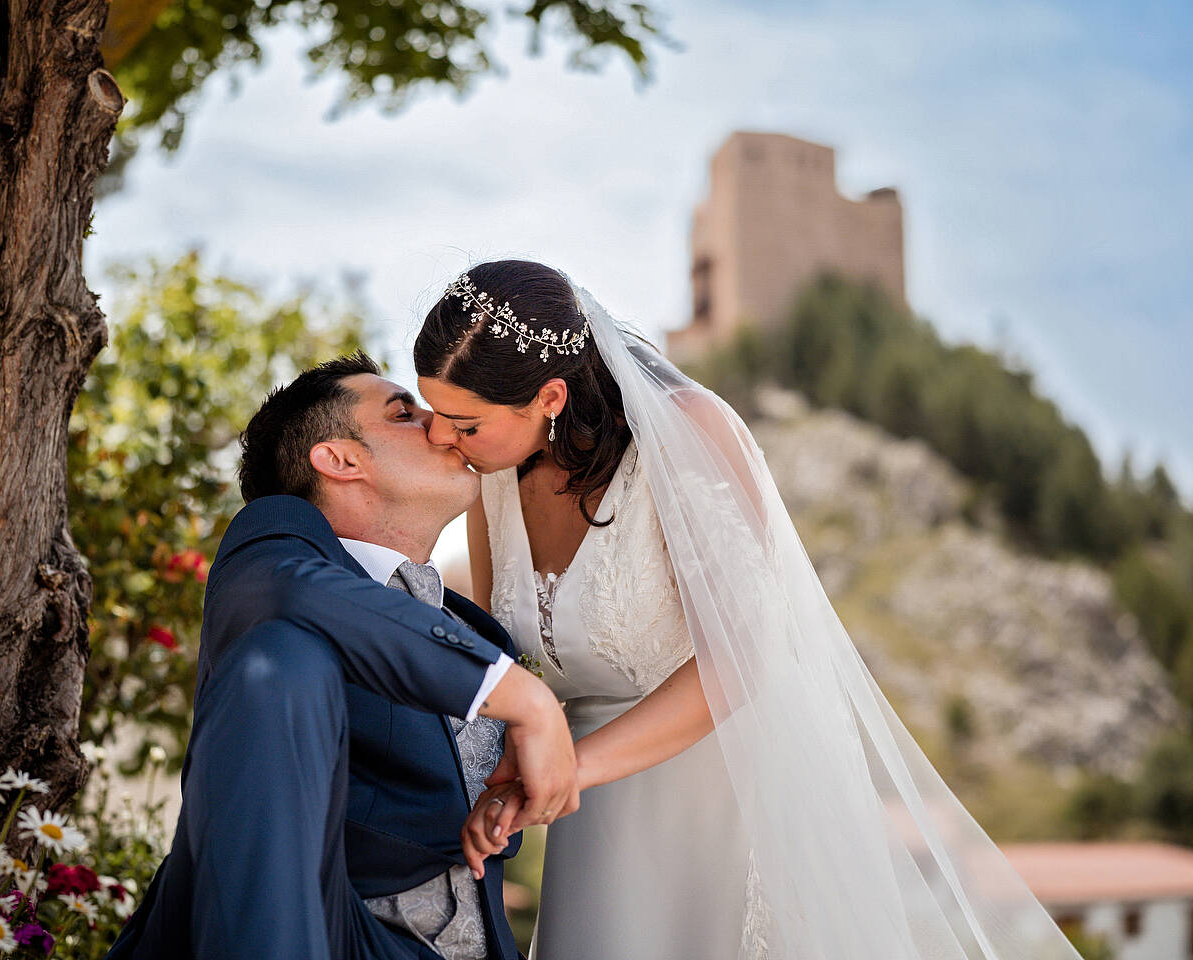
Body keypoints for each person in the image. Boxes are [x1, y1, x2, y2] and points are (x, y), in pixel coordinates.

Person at [412, 260, 1087, 960]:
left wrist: (569, 767)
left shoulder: (687, 437)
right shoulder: (490, 480)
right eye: (433, 415)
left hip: (721, 804)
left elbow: (738, 660)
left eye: (463, 423)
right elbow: (499, 657)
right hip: (591, 823)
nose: (440, 437)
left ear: (549, 397)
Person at [105, 353, 577, 960]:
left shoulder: (475, 630)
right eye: (405, 412)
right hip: (322, 929)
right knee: (276, 662)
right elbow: (287, 589)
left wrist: (500, 805)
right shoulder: (275, 548)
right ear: (339, 459)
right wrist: (519, 694)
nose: (440, 426)